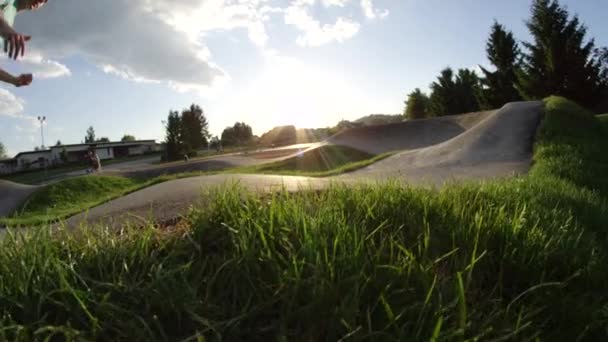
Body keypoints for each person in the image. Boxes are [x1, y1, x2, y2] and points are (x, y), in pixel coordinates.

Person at [0, 0, 48, 87]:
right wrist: (3, 25)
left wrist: (14, 80)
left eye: (45, 1)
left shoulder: (10, 16)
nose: (43, 0)